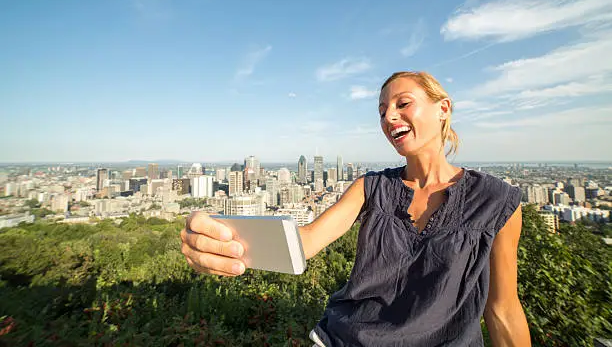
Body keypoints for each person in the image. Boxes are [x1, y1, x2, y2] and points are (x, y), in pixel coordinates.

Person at [181, 71, 532, 346]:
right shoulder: (371, 187)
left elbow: (502, 309)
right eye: (382, 111)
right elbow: (304, 242)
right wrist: (222, 239)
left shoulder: (496, 201)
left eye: (402, 103)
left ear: (443, 109)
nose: (389, 116)